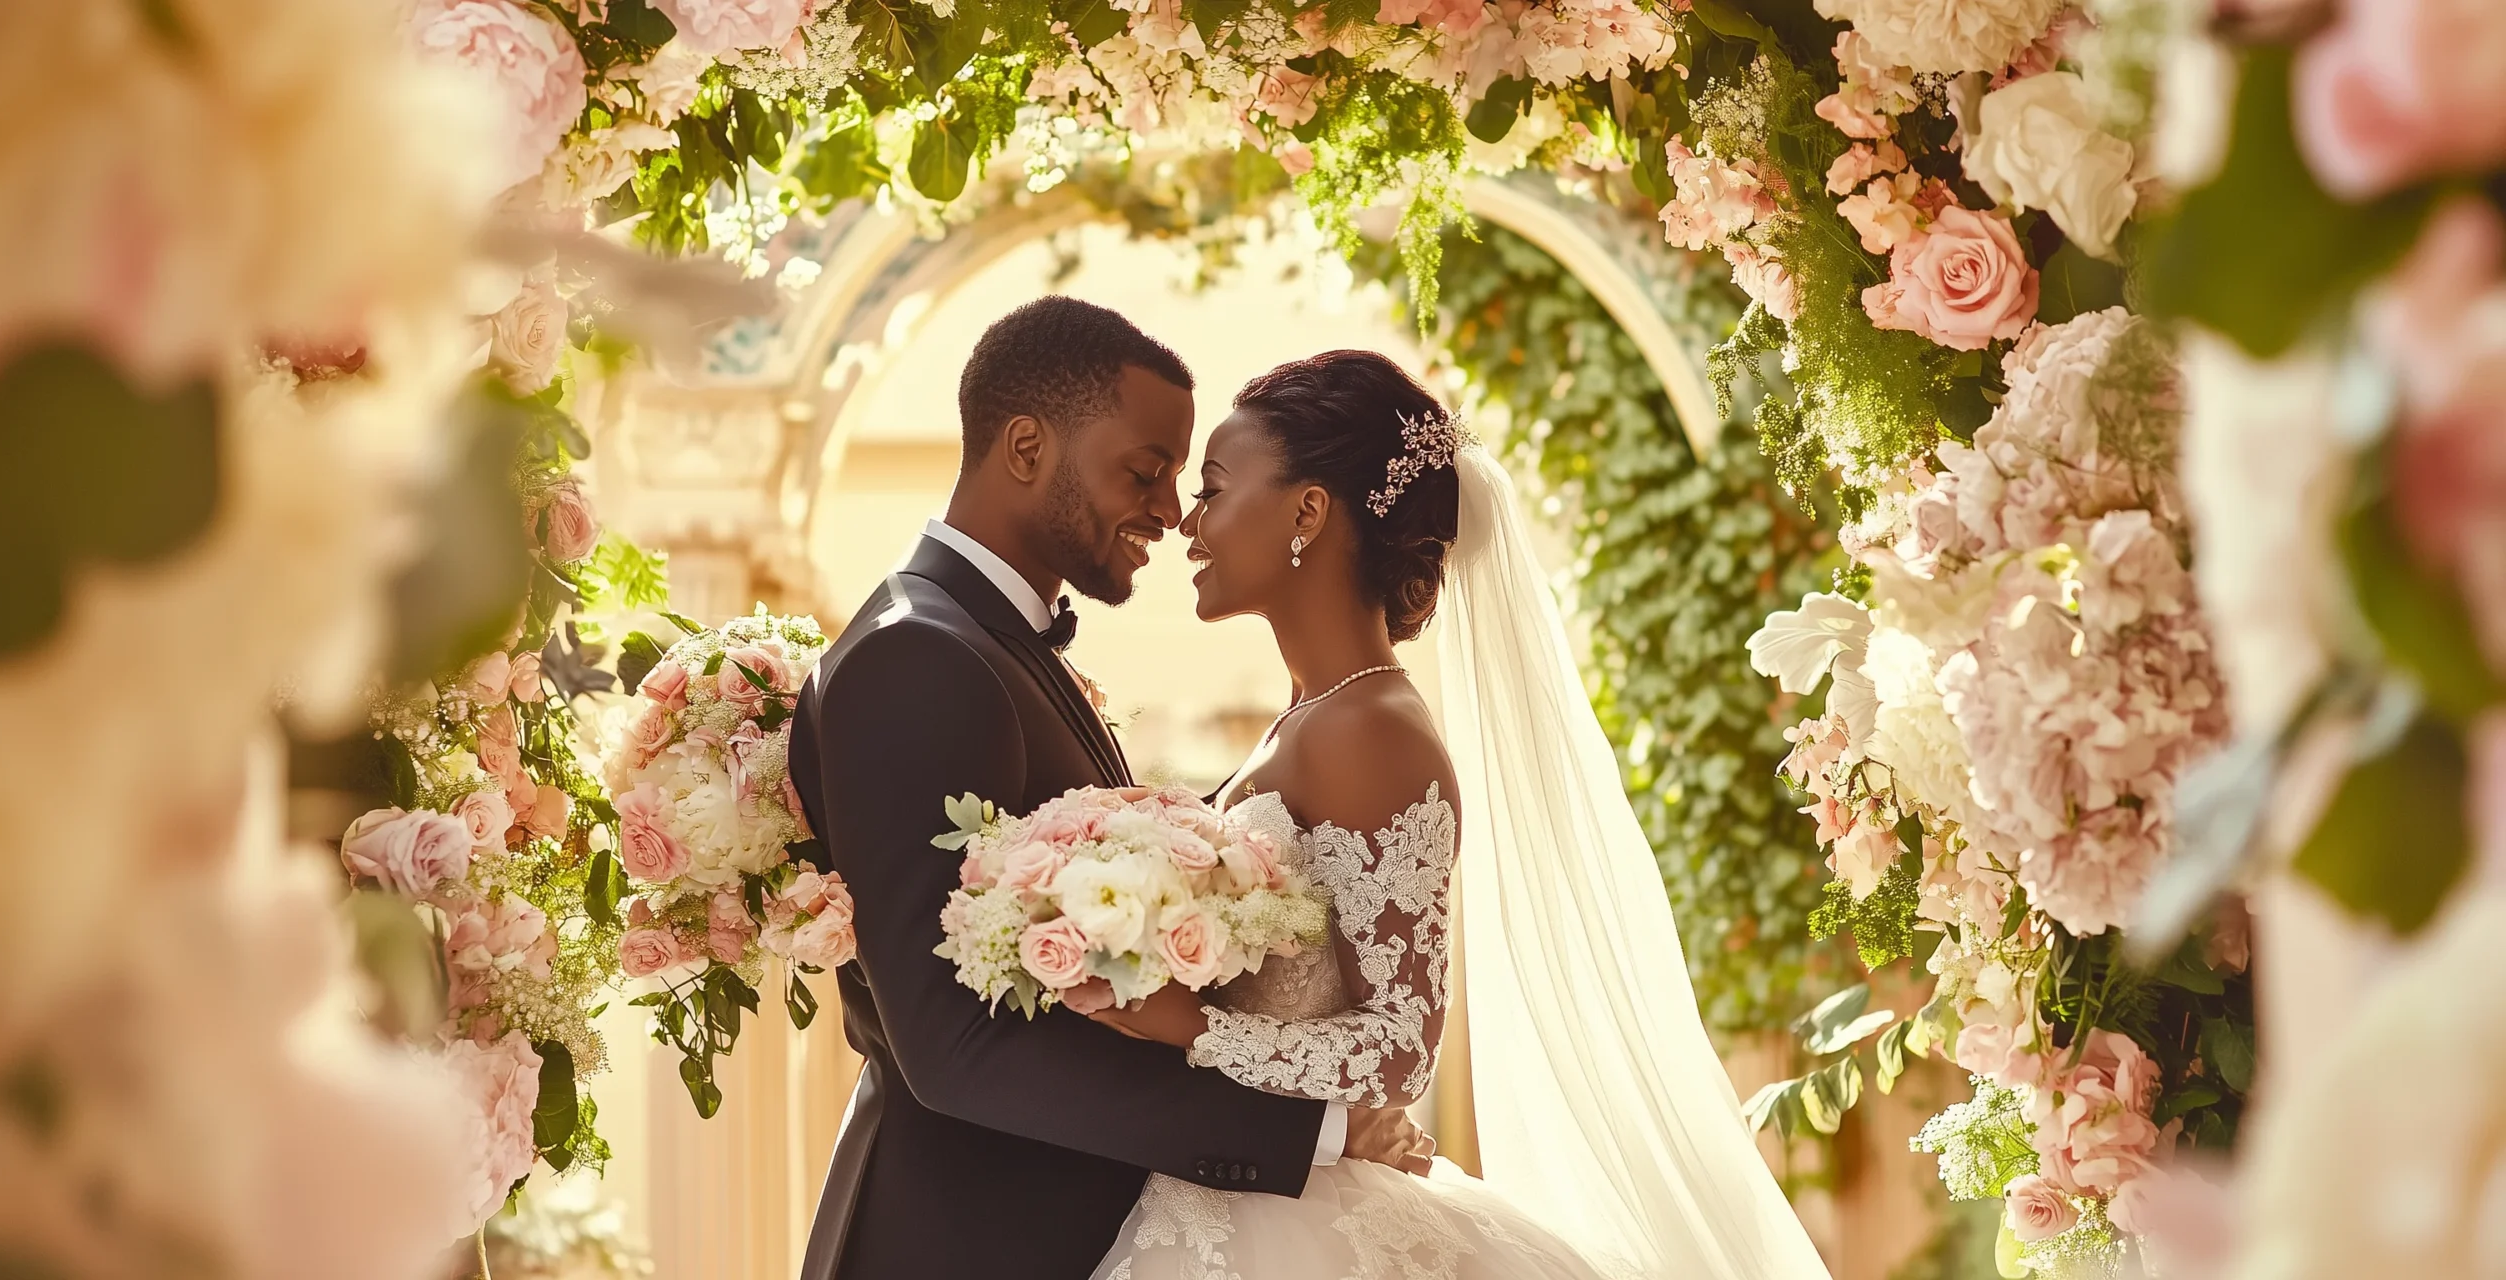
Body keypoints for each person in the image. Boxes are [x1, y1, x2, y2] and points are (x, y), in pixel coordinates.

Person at [1083, 351, 1835, 1280]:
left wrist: (1188, 1028)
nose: (1189, 522)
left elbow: (1400, 1046)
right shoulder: (1314, 716)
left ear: (1308, 514)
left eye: (1216, 489)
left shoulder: (1371, 732)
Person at [784, 301, 1431, 1280]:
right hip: (973, 1237)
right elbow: (955, 1043)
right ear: (1028, 445)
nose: (1171, 511)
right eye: (1146, 469)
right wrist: (1312, 1130)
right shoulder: (921, 653)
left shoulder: (993, 644)